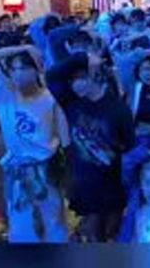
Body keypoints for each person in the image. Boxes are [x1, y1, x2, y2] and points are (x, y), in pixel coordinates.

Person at [0, 45, 70, 242]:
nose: (18, 74)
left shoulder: (49, 98)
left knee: (54, 223)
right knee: (23, 226)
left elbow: (64, 138)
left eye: (24, 68)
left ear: (36, 69)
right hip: (18, 171)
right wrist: (21, 48)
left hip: (46, 169)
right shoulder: (5, 94)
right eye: (14, 69)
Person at [46, 50, 135, 242]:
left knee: (112, 236)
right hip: (84, 184)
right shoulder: (71, 102)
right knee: (92, 236)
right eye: (71, 80)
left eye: (79, 78)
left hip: (112, 186)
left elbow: (130, 148)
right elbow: (51, 76)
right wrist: (81, 57)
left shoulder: (118, 109)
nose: (74, 84)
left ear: (93, 76)